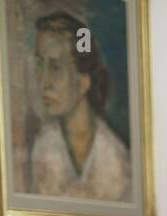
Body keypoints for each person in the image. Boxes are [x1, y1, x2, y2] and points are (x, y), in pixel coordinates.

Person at [30, 12, 130, 202]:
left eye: (56, 67)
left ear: (84, 82)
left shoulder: (116, 158)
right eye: (39, 64)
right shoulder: (42, 147)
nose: (43, 83)